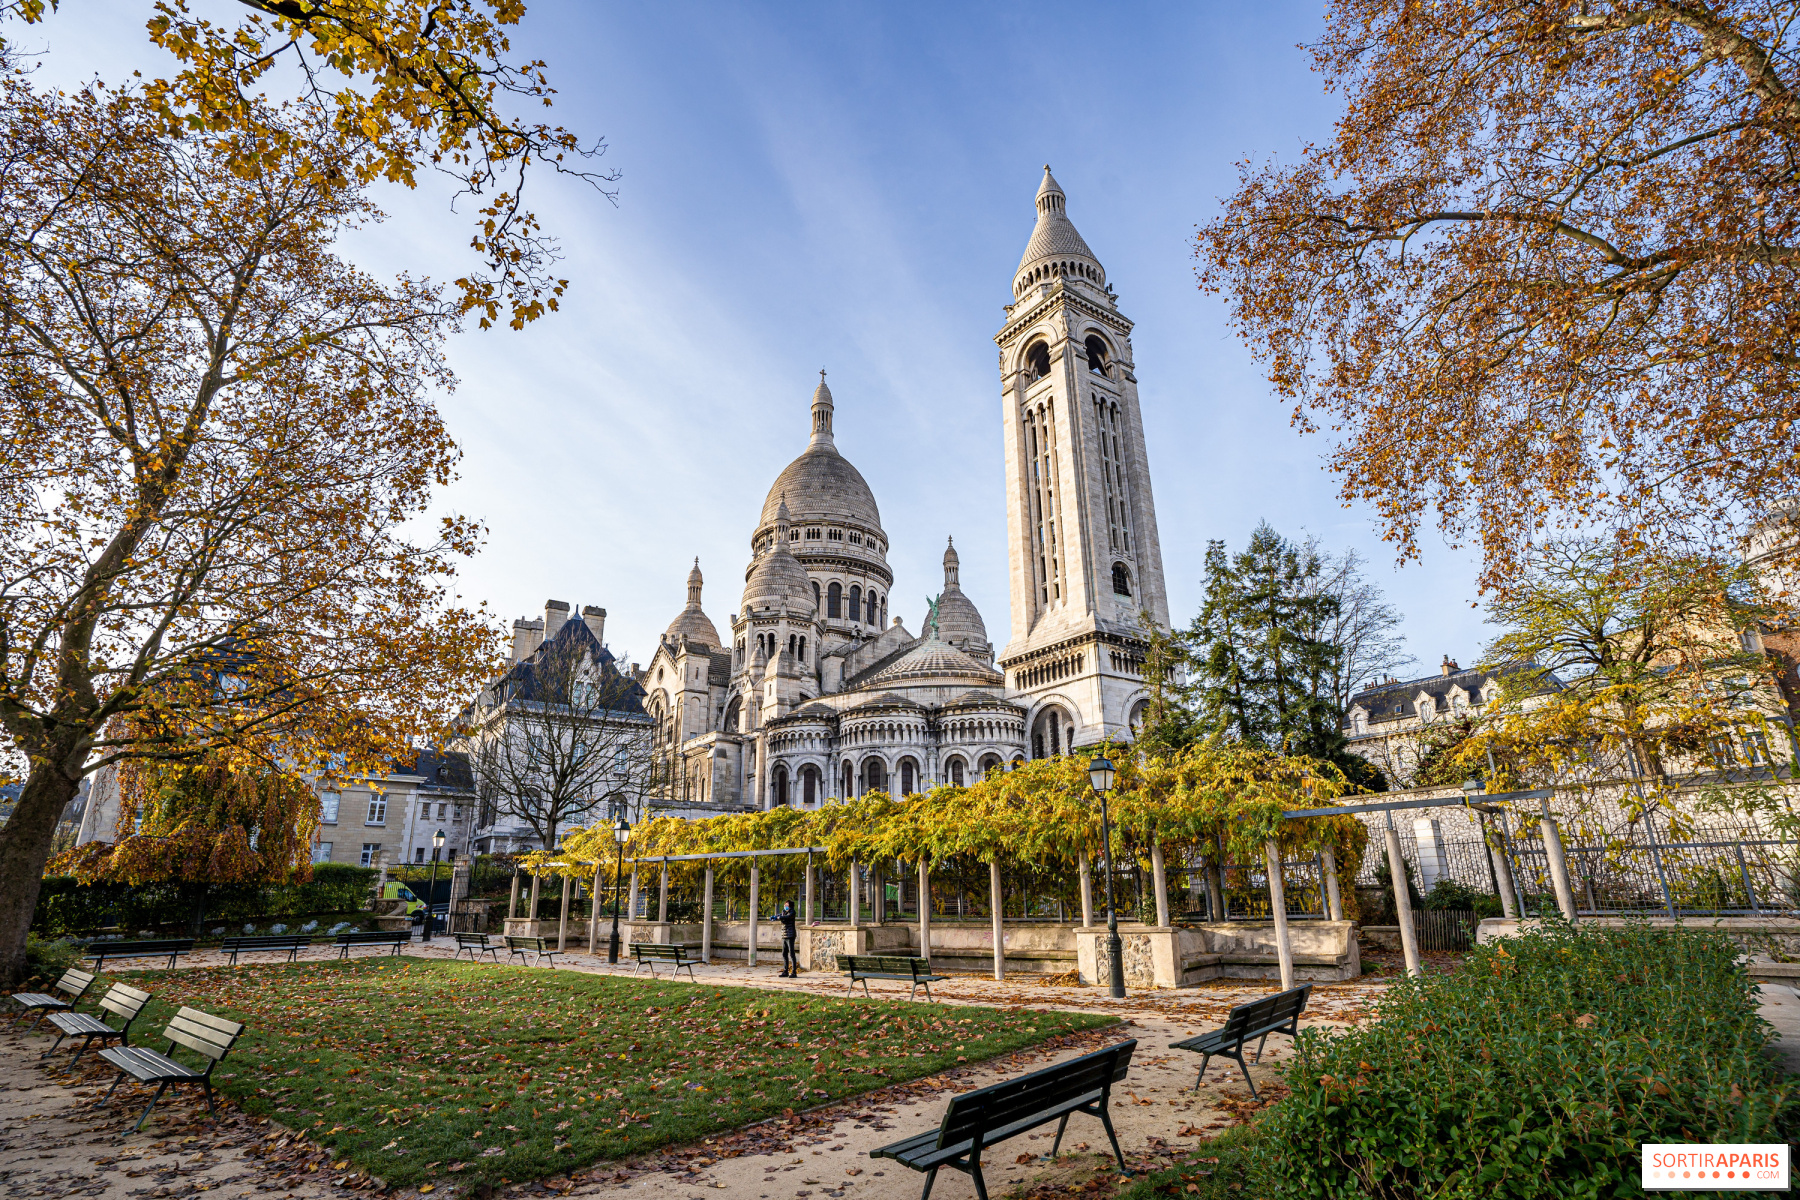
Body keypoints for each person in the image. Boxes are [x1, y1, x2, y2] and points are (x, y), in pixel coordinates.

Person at [779, 900, 799, 977]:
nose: (785, 906)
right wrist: (779, 916)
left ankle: (794, 972)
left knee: (791, 953)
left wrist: (780, 916)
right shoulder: (784, 912)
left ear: (790, 906)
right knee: (784, 953)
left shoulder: (792, 912)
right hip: (784, 935)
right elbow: (783, 920)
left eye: (787, 905)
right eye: (785, 905)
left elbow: (787, 918)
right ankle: (785, 971)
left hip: (790, 935)